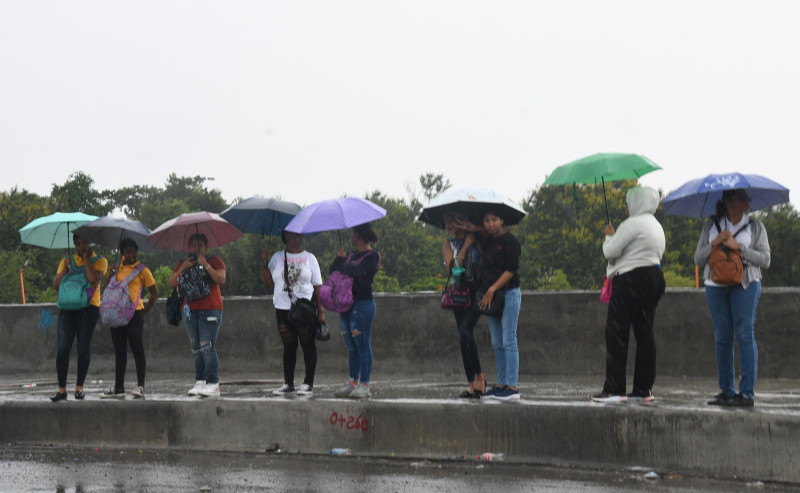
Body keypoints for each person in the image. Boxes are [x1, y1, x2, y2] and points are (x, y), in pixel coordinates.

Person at [694, 189, 770, 407]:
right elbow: (698, 258)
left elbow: (765, 260)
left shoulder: (755, 227)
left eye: (747, 198)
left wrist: (739, 248)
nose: (747, 202)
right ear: (728, 202)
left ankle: (746, 393)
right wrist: (715, 242)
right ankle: (726, 391)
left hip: (745, 284)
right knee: (722, 337)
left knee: (745, 333)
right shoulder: (711, 226)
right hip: (715, 285)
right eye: (741, 198)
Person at [591, 186, 666, 403]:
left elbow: (611, 252)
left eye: (628, 203)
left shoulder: (632, 224)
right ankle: (643, 389)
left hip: (631, 280)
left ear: (636, 203)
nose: (626, 208)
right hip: (654, 277)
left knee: (617, 333)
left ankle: (615, 388)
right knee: (644, 334)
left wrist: (608, 237)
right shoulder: (656, 225)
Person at [262, 230, 325, 396]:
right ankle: (288, 383)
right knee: (289, 346)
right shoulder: (277, 257)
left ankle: (308, 383)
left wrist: (321, 310)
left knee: (307, 344)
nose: (299, 239)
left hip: (304, 308)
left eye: (300, 235)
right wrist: (264, 263)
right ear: (286, 237)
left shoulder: (310, 258)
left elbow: (318, 286)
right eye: (295, 235)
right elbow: (269, 283)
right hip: (283, 308)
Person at [50, 234, 108, 401]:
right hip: (68, 309)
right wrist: (65, 270)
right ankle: (61, 390)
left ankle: (79, 387)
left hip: (89, 309)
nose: (81, 247)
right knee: (62, 348)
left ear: (90, 244)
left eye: (84, 243)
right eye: (78, 244)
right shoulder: (66, 260)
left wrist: (86, 259)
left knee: (83, 347)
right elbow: (55, 286)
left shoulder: (100, 261)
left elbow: (93, 280)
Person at [168, 233, 227, 397]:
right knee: (196, 348)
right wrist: (182, 268)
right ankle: (200, 381)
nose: (196, 248)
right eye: (193, 245)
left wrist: (206, 265)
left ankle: (212, 382)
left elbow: (221, 279)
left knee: (207, 346)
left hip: (210, 309)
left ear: (206, 246)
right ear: (189, 247)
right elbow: (172, 283)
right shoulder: (183, 263)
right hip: (189, 310)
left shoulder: (215, 261)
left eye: (200, 244)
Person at [99, 238, 158, 399]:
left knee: (137, 348)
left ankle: (140, 386)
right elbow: (105, 291)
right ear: (122, 254)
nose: (132, 254)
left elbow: (154, 293)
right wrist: (109, 275)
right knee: (120, 351)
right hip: (117, 314)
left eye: (134, 251)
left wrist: (144, 312)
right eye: (127, 252)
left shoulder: (142, 270)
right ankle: (119, 388)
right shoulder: (116, 270)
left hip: (135, 313)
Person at [476, 210, 522, 402]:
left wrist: (493, 289)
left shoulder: (510, 241)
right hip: (492, 298)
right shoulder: (489, 242)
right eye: (486, 220)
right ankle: (501, 384)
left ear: (502, 220)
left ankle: (512, 386)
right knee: (496, 342)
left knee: (508, 339)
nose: (490, 224)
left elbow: (511, 270)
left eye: (494, 219)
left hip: (508, 294)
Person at [331, 223, 381, 399]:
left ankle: (365, 384)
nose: (351, 237)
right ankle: (352, 382)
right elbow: (333, 271)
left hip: (362, 305)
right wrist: (339, 259)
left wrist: (342, 265)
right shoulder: (350, 255)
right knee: (352, 347)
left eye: (353, 233)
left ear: (359, 236)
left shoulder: (373, 256)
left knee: (363, 344)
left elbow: (358, 272)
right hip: (346, 304)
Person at [442, 211, 485, 398]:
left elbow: (499, 230)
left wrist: (473, 232)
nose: (450, 225)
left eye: (453, 221)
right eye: (447, 223)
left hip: (477, 291)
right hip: (458, 292)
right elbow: (452, 269)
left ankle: (480, 378)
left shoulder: (478, 238)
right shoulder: (449, 244)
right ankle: (470, 384)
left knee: (466, 332)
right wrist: (465, 246)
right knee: (462, 337)